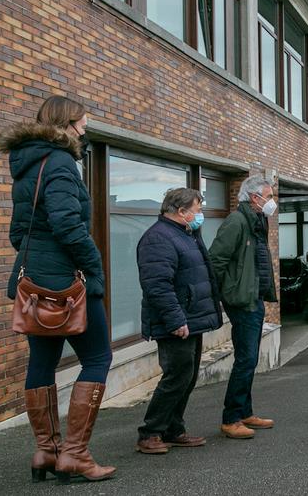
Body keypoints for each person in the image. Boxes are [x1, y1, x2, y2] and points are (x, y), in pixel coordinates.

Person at [0, 96, 115, 483]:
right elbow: (69, 225)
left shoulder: (26, 164)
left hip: (34, 280)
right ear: (67, 122)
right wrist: (94, 265)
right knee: (98, 358)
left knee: (42, 362)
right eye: (83, 121)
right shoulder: (62, 162)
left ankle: (45, 451)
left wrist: (43, 259)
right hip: (66, 280)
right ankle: (75, 454)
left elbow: (18, 231)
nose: (86, 128)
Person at [135, 188, 223, 453]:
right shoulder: (158, 239)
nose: (200, 215)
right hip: (177, 322)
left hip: (191, 318)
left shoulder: (186, 234)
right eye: (197, 210)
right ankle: (150, 433)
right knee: (176, 377)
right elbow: (157, 285)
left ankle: (173, 429)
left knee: (187, 377)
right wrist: (175, 320)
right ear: (181, 212)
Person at [209, 175, 279, 439]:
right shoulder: (236, 222)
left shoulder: (257, 221)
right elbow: (216, 260)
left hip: (253, 298)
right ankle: (231, 418)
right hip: (241, 300)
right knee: (246, 359)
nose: (272, 202)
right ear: (254, 197)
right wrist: (224, 294)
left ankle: (245, 411)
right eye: (269, 196)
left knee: (249, 359)